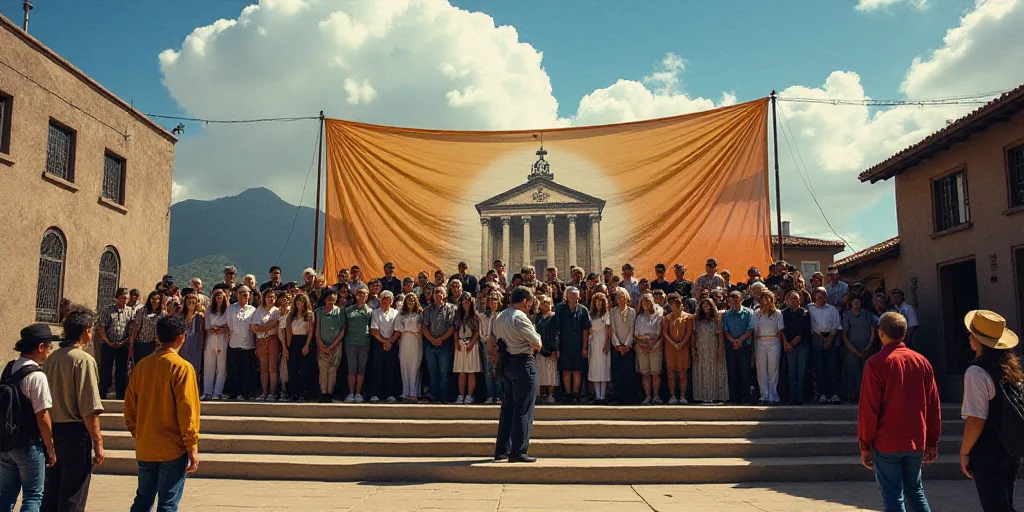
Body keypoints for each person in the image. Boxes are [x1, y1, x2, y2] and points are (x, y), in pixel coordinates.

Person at [858, 312, 940, 512]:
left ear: (881, 333)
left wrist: (865, 443)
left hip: (887, 440)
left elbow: (869, 408)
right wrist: (932, 441)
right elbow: (933, 405)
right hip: (915, 439)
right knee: (916, 491)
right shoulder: (922, 361)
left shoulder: (876, 363)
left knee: (893, 495)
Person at [124, 315, 200, 512]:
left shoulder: (141, 366)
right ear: (182, 337)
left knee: (142, 500)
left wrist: (139, 433)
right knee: (167, 503)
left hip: (146, 445)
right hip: (171, 448)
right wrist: (191, 446)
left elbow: (130, 408)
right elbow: (187, 410)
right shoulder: (182, 367)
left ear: (158, 337)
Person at [959, 310, 1023, 512]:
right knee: (1006, 504)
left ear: (977, 340)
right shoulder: (1009, 368)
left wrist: (964, 452)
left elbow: (976, 418)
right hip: (1009, 448)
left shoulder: (976, 372)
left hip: (988, 451)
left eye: (971, 333)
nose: (969, 337)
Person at [42, 308, 104, 512]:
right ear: (86, 331)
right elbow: (89, 408)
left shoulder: (51, 358)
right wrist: (98, 442)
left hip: (52, 429)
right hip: (74, 433)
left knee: (51, 491)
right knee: (73, 493)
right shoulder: (83, 359)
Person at [0, 324, 57, 512]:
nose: (49, 352)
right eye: (49, 346)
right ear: (40, 347)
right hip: (29, 444)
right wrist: (50, 447)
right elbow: (42, 415)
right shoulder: (37, 376)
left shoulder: (9, 370)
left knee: (6, 494)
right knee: (33, 495)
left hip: (6, 443)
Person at [492, 286, 543, 463]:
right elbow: (537, 343)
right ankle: (519, 450)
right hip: (522, 362)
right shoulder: (520, 317)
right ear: (524, 302)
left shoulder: (500, 316)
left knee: (508, 408)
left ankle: (502, 449)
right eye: (530, 302)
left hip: (506, 363)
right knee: (523, 408)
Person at [98, 287, 135, 400]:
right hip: (108, 344)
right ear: (117, 298)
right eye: (122, 298)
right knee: (106, 368)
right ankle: (102, 392)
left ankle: (120, 393)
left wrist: (127, 340)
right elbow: (102, 326)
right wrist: (106, 340)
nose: (124, 301)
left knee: (121, 369)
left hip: (123, 344)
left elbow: (132, 327)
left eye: (126, 298)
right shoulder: (108, 310)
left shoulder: (130, 311)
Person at [555, 287, 591, 403]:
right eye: (570, 294)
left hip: (578, 345)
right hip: (564, 345)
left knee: (577, 370)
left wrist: (585, 347)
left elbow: (586, 330)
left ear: (579, 297)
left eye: (575, 295)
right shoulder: (560, 309)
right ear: (566, 296)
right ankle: (567, 393)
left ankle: (576, 394)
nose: (573, 297)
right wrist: (557, 347)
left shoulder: (583, 310)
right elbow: (556, 329)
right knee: (565, 370)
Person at [809, 287, 843, 405]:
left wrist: (829, 340)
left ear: (826, 297)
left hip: (831, 339)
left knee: (832, 368)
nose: (820, 297)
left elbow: (836, 325)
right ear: (814, 296)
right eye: (818, 295)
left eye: (823, 295)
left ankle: (833, 394)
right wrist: (823, 340)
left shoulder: (832, 309)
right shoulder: (810, 308)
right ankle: (822, 394)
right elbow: (813, 326)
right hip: (817, 338)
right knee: (819, 369)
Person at [842, 297, 878, 403]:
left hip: (867, 349)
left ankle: (867, 395)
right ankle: (853, 396)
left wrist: (867, 348)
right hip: (852, 349)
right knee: (853, 372)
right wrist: (853, 350)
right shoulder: (847, 315)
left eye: (858, 301)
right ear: (851, 303)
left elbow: (873, 333)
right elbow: (844, 335)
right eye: (854, 301)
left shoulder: (869, 315)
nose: (856, 302)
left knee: (866, 372)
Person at [692, 298, 728, 403]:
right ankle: (703, 395)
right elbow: (693, 335)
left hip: (713, 347)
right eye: (704, 305)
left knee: (715, 370)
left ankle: (716, 395)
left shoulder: (716, 319)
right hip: (701, 347)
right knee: (702, 370)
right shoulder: (697, 320)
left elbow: (720, 335)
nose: (706, 307)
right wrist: (693, 349)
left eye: (708, 305)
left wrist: (720, 349)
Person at [721, 291, 754, 404]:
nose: (734, 300)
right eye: (731, 298)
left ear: (741, 298)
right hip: (731, 346)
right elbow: (725, 331)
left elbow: (750, 329)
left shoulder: (749, 312)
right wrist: (733, 341)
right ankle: (734, 397)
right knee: (732, 372)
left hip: (744, 346)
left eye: (736, 298)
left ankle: (746, 396)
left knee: (744, 372)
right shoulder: (726, 314)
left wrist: (740, 341)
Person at [753, 292, 785, 405]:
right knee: (761, 369)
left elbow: (780, 330)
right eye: (763, 299)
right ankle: (764, 395)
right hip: (760, 341)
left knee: (773, 369)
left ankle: (773, 395)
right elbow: (755, 330)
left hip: (774, 341)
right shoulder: (757, 313)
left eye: (767, 299)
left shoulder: (778, 313)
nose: (765, 301)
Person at [315, 289, 346, 403]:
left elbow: (343, 330)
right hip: (322, 345)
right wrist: (320, 344)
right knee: (323, 369)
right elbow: (317, 329)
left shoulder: (341, 312)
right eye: (329, 296)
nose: (331, 298)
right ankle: (323, 393)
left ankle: (329, 393)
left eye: (333, 296)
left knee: (332, 370)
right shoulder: (319, 312)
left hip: (336, 345)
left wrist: (333, 345)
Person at [225, 286, 257, 401]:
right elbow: (229, 324)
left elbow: (254, 327)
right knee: (234, 370)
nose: (243, 295)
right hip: (234, 343)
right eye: (241, 293)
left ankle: (246, 393)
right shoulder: (231, 309)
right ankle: (233, 393)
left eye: (246, 293)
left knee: (246, 370)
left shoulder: (253, 310)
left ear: (249, 295)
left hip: (248, 344)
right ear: (237, 295)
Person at [343, 287, 373, 403]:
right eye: (360, 294)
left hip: (364, 343)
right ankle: (351, 393)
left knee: (361, 369)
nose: (362, 296)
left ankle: (358, 393)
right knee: (351, 368)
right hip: (350, 342)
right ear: (356, 295)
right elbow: (344, 326)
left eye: (364, 294)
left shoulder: (370, 311)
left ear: (367, 297)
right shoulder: (348, 310)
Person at [250, 289, 281, 402]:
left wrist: (264, 327)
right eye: (268, 296)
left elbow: (277, 325)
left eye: (272, 297)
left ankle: (272, 393)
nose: (270, 299)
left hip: (272, 340)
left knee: (272, 367)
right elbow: (254, 328)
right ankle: (264, 392)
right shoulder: (259, 311)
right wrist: (270, 325)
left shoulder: (277, 311)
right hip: (261, 340)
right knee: (263, 368)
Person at [782, 291, 812, 405]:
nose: (794, 301)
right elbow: (781, 330)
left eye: (796, 299)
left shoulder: (805, 313)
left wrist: (794, 343)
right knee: (791, 371)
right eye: (792, 299)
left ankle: (799, 396)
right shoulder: (784, 313)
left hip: (802, 346)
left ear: (800, 300)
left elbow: (804, 331)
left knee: (801, 371)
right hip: (788, 346)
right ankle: (791, 396)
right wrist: (786, 343)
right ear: (788, 301)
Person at [369, 291, 400, 403]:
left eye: (388, 298)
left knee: (390, 369)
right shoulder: (375, 312)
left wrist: (390, 342)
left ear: (392, 301)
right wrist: (384, 342)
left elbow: (397, 330)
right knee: (377, 369)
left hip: (391, 343)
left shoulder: (396, 313)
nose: (386, 300)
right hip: (378, 343)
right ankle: (375, 394)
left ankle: (390, 394)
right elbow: (374, 330)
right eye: (384, 298)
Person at [285, 293, 317, 402]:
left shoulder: (309, 314)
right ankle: (293, 393)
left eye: (302, 301)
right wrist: (288, 347)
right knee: (292, 369)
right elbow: (288, 331)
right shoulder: (291, 315)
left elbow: (311, 331)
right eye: (297, 300)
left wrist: (307, 345)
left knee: (304, 369)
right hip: (293, 341)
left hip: (304, 340)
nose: (299, 303)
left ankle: (304, 393)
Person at [632, 293, 663, 405]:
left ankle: (656, 396)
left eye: (648, 301)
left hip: (655, 346)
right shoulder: (639, 317)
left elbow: (659, 332)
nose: (646, 303)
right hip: (641, 347)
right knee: (645, 373)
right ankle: (647, 396)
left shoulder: (658, 314)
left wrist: (651, 343)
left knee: (655, 373)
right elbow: (635, 333)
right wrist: (641, 344)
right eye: (644, 301)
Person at [452, 292, 482, 404]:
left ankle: (469, 395)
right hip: (460, 344)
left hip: (471, 344)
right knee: (461, 372)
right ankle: (461, 395)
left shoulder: (475, 316)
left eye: (468, 300)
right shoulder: (458, 315)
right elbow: (455, 329)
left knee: (471, 371)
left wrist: (471, 343)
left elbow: (477, 332)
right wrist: (456, 341)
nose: (465, 303)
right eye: (463, 300)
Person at [663, 294, 692, 405]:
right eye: (673, 303)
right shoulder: (667, 318)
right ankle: (673, 396)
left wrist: (681, 344)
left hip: (683, 348)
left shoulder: (688, 317)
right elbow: (665, 332)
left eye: (678, 303)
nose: (676, 305)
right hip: (671, 348)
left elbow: (689, 332)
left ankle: (683, 396)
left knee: (682, 373)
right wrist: (673, 343)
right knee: (671, 373)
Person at [609, 288, 637, 405]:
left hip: (628, 347)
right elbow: (612, 329)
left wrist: (626, 345)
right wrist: (617, 345)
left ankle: (629, 396)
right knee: (617, 372)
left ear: (626, 297)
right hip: (617, 347)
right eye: (617, 297)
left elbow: (632, 329)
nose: (619, 299)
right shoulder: (612, 311)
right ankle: (618, 396)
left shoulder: (632, 312)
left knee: (628, 372)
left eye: (622, 297)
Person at [201, 290, 230, 401]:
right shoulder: (209, 311)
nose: (219, 297)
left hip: (223, 341)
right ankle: (207, 391)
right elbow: (208, 328)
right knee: (209, 366)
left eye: (221, 296)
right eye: (217, 295)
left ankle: (217, 392)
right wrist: (220, 329)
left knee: (221, 368)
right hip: (211, 341)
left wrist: (219, 329)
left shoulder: (228, 311)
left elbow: (228, 327)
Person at [395, 294, 424, 402]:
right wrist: (407, 329)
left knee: (415, 365)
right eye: (409, 299)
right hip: (404, 340)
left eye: (413, 299)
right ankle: (405, 392)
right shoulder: (401, 314)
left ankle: (414, 392)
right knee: (404, 365)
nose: (411, 301)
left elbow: (422, 329)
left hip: (416, 341)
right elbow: (398, 328)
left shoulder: (420, 313)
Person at [586, 292, 612, 404]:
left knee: (604, 368)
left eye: (601, 302)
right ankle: (598, 396)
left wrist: (606, 345)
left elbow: (609, 332)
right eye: (597, 302)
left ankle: (603, 396)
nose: (599, 304)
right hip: (593, 343)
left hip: (603, 342)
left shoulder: (606, 315)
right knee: (595, 368)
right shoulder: (591, 315)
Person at [533, 295, 559, 404]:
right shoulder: (537, 317)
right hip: (539, 348)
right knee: (540, 372)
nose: (545, 304)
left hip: (551, 347)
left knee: (551, 373)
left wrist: (556, 348)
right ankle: (540, 395)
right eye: (543, 302)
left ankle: (551, 395)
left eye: (548, 302)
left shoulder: (554, 316)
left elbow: (557, 333)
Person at [479, 292, 503, 404]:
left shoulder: (502, 315)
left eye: (495, 299)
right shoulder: (484, 315)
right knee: (488, 370)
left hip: (497, 345)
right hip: (485, 344)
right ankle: (490, 395)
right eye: (490, 300)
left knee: (497, 370)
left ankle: (498, 395)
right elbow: (481, 330)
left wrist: (497, 344)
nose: (493, 302)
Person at [130, 291, 165, 363]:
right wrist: (132, 343)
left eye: (157, 299)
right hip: (141, 343)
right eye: (153, 298)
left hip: (154, 345)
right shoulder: (142, 311)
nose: (155, 301)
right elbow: (136, 327)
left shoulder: (162, 315)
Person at [178, 294, 205, 387]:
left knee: (194, 368)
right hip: (183, 343)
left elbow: (201, 331)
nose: (191, 304)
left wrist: (202, 345)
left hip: (195, 343)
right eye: (189, 301)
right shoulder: (181, 316)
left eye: (194, 302)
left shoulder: (199, 316)